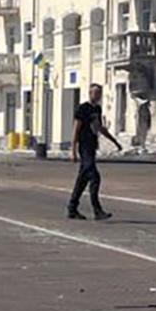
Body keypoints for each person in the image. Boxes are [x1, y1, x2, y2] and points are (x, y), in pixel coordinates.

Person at [68, 83, 122, 220]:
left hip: (92, 146)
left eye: (99, 93)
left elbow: (99, 127)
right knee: (95, 177)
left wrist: (114, 141)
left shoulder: (97, 109)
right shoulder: (82, 109)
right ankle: (97, 210)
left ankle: (72, 207)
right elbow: (76, 129)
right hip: (84, 146)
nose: (97, 96)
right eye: (95, 93)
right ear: (90, 93)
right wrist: (72, 150)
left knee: (83, 179)